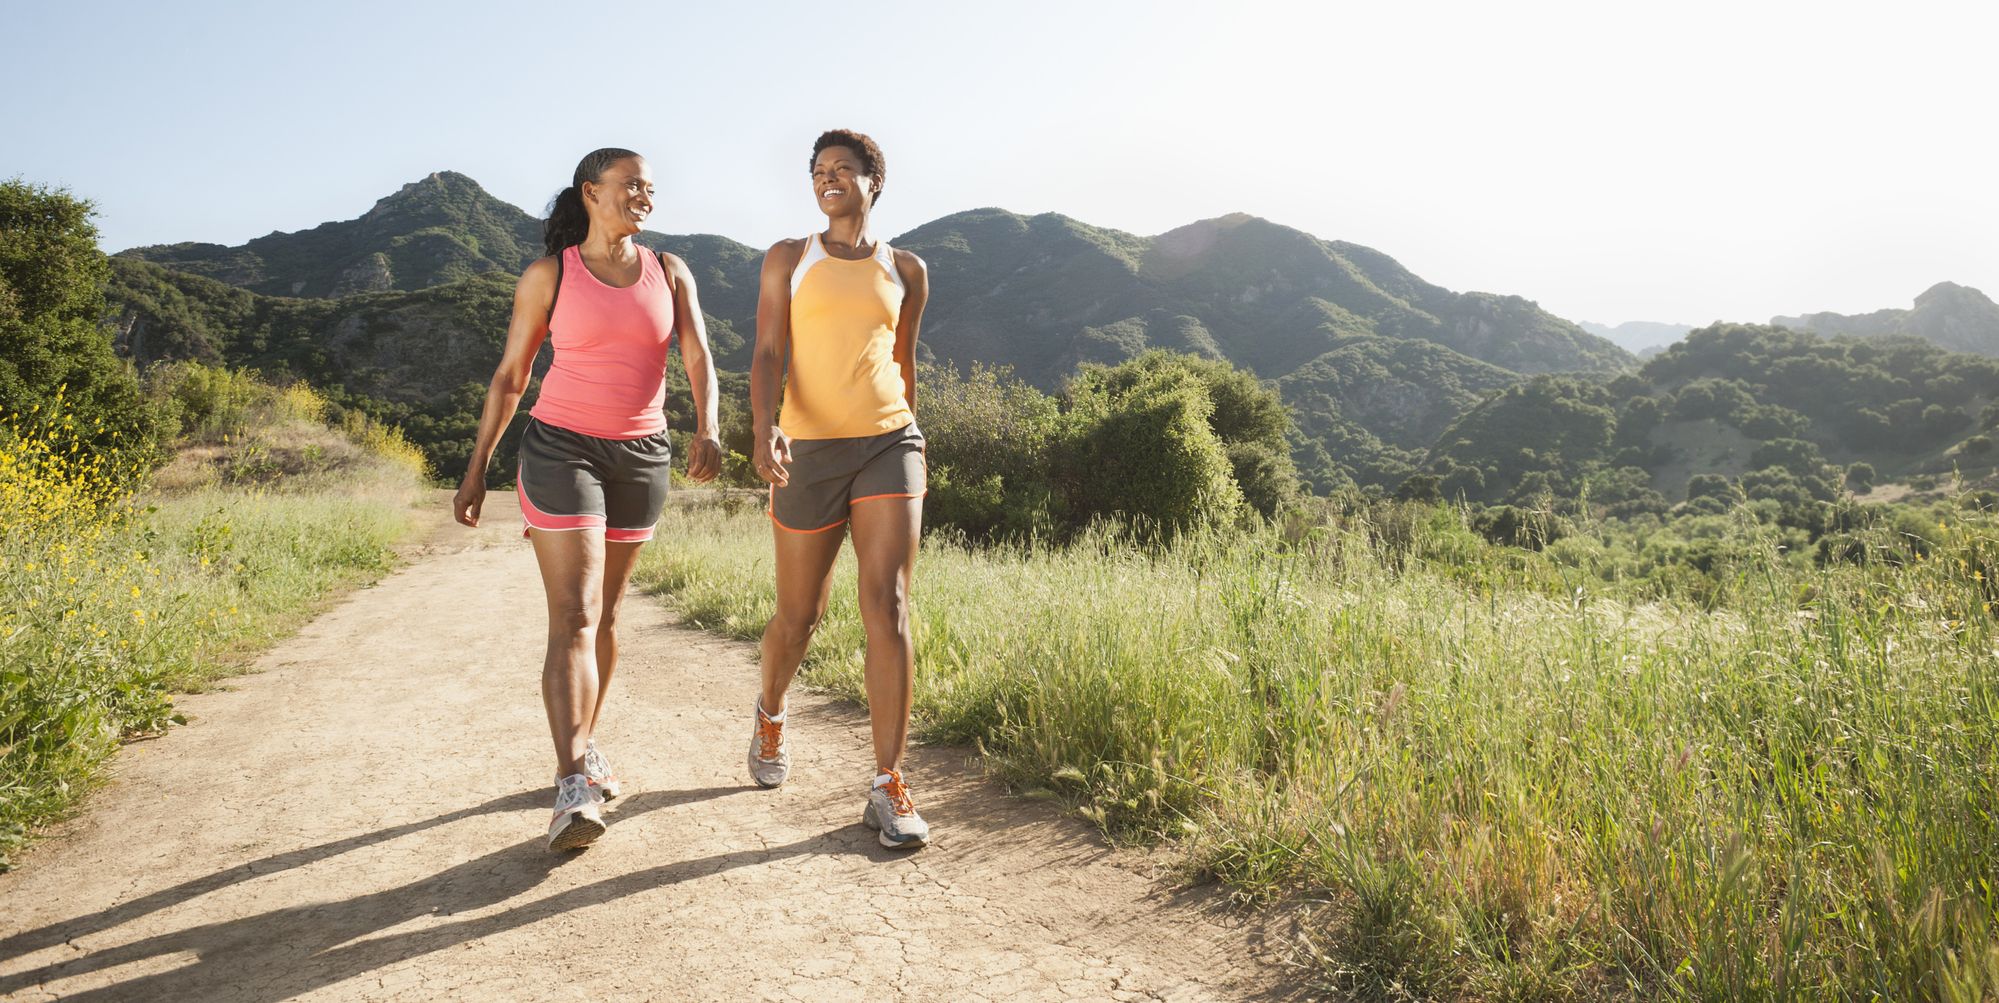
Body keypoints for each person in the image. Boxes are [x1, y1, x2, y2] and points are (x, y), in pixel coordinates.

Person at [453, 148, 722, 851]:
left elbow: (696, 354)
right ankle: (572, 781)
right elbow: (512, 375)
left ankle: (585, 742)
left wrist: (710, 426)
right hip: (560, 446)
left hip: (641, 453)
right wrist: (477, 464)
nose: (645, 197)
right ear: (591, 192)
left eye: (651, 188)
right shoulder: (550, 275)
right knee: (573, 612)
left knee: (604, 615)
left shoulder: (669, 270)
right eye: (632, 185)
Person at [747, 129, 932, 849]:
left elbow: (904, 362)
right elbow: (766, 352)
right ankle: (770, 708)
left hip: (890, 440)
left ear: (872, 181)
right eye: (818, 171)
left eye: (842, 171)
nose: (827, 180)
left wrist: (914, 436)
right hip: (807, 449)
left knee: (886, 602)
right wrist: (763, 429)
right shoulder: (788, 259)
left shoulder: (907, 268)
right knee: (798, 616)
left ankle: (887, 782)